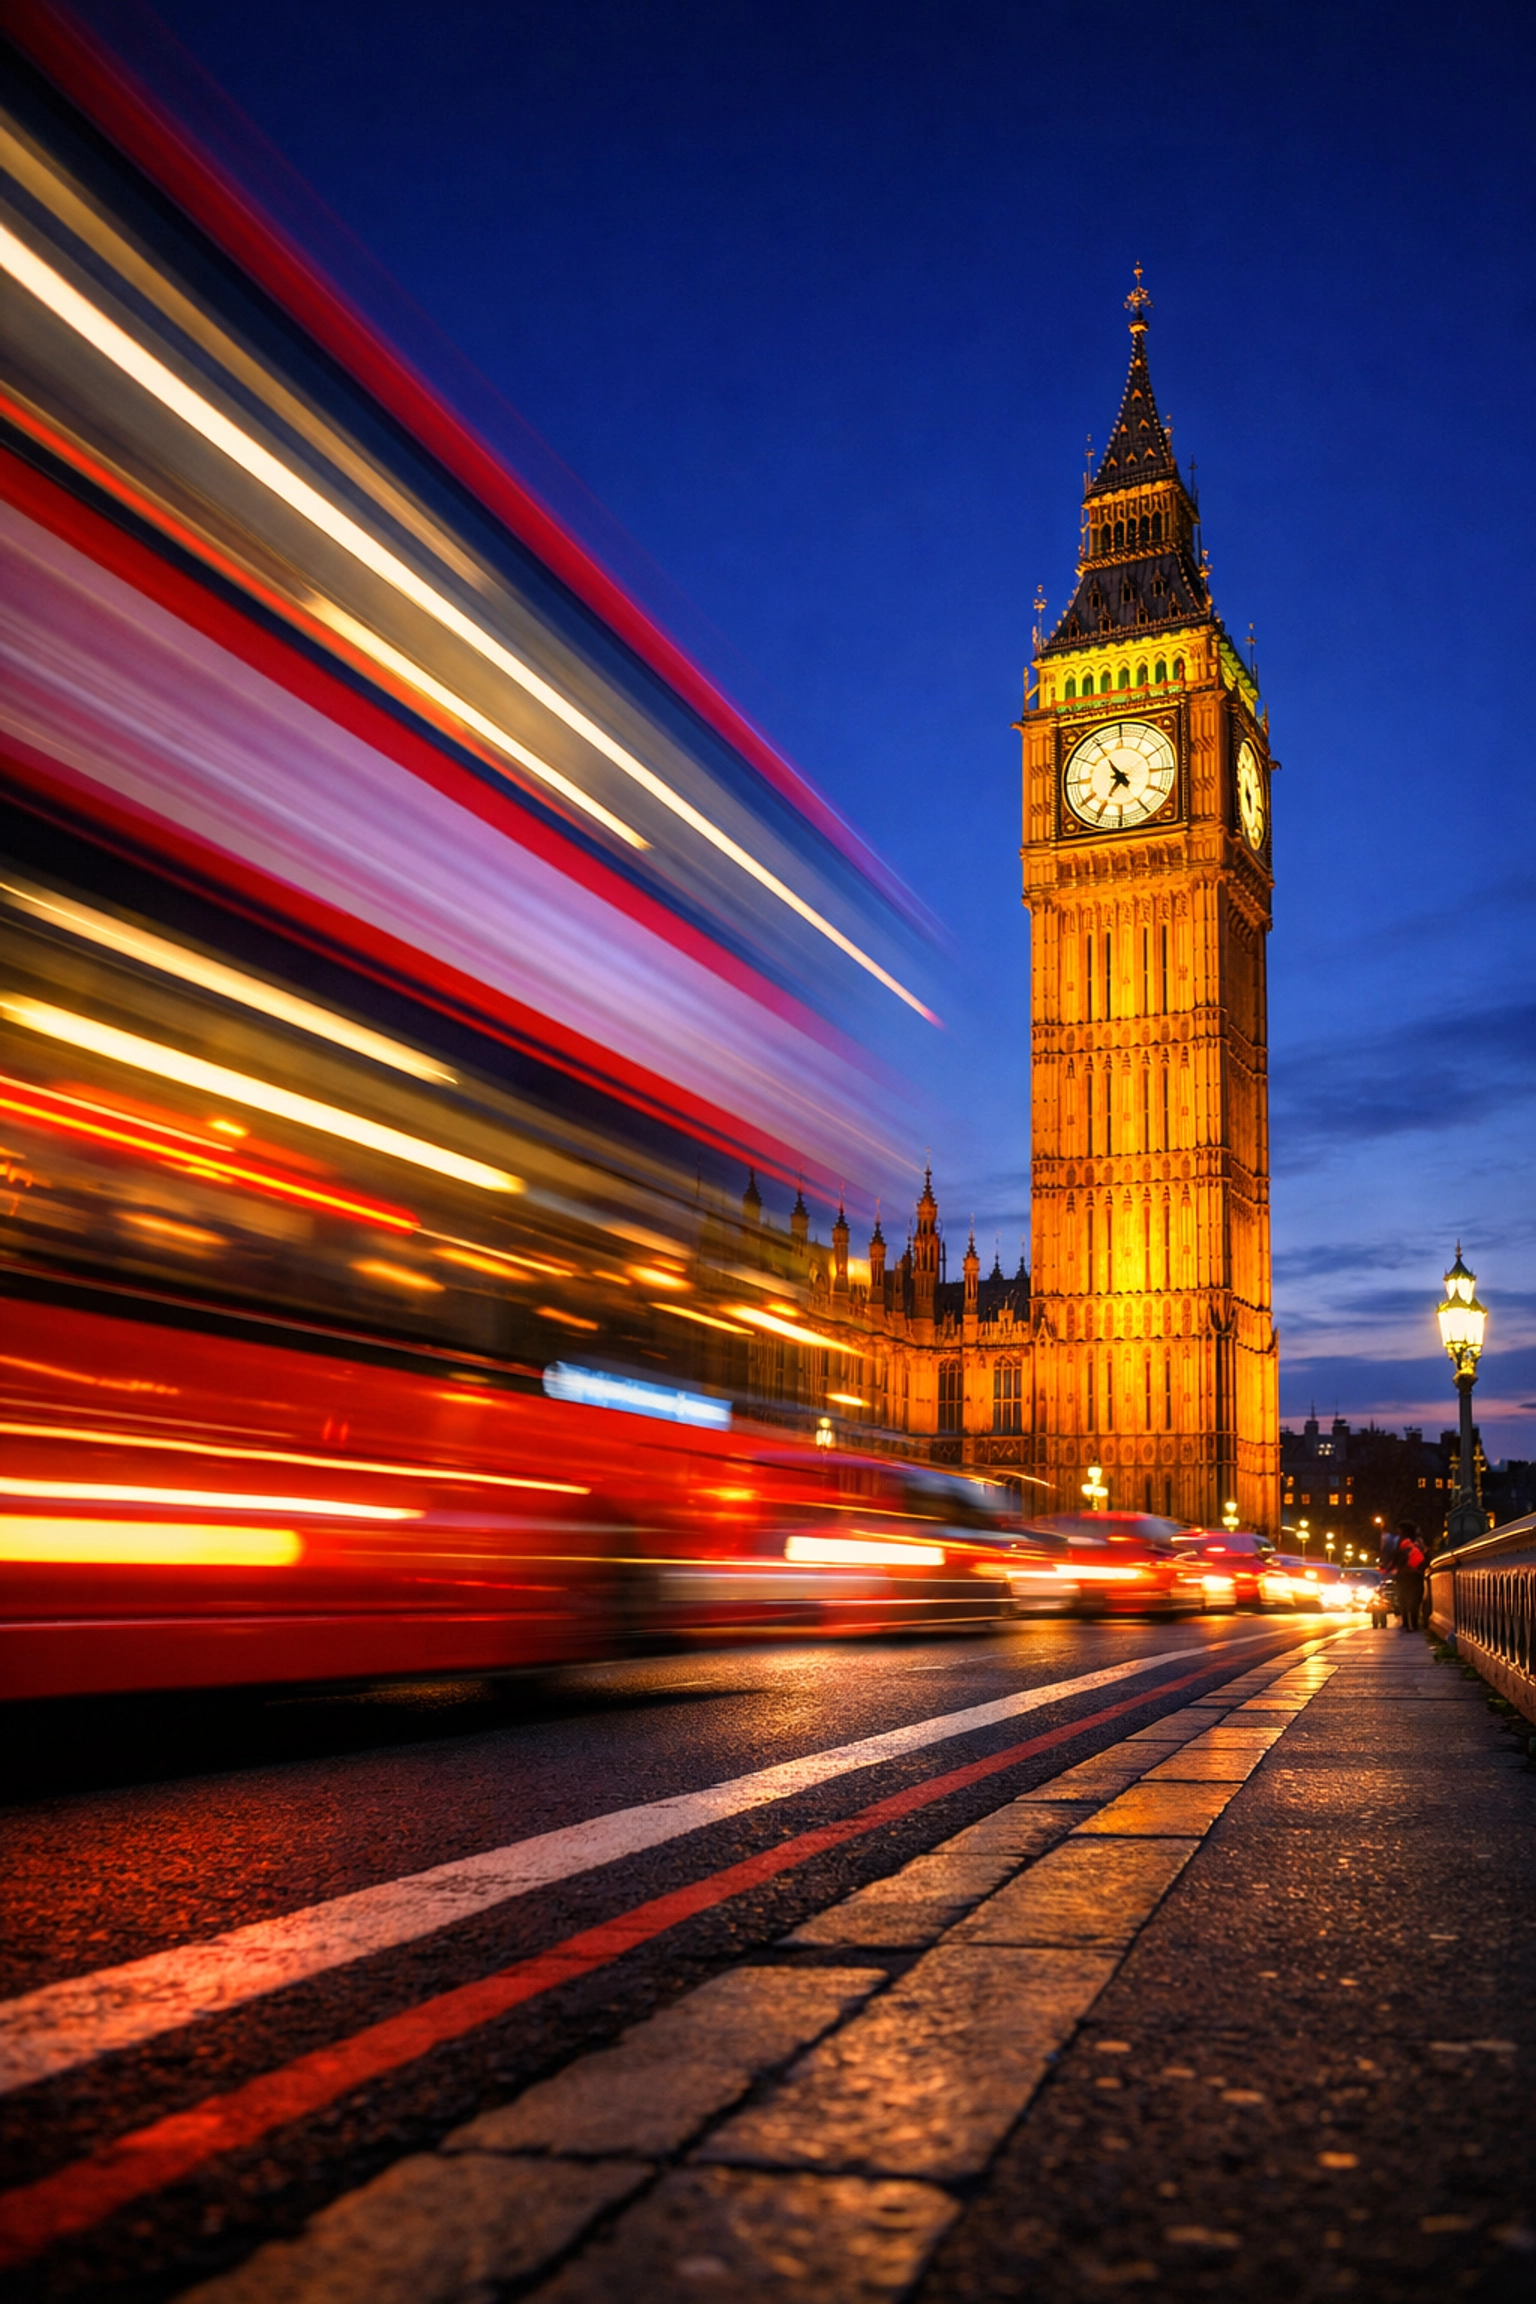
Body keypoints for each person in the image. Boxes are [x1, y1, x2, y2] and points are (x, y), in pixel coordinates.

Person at [1393, 1519, 1427, 1633]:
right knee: (1415, 1599)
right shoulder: (1418, 1542)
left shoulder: (1400, 1543)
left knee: (1403, 1599)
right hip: (1416, 1575)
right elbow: (1424, 1557)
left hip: (1403, 1575)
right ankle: (1414, 1624)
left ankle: (1406, 1623)